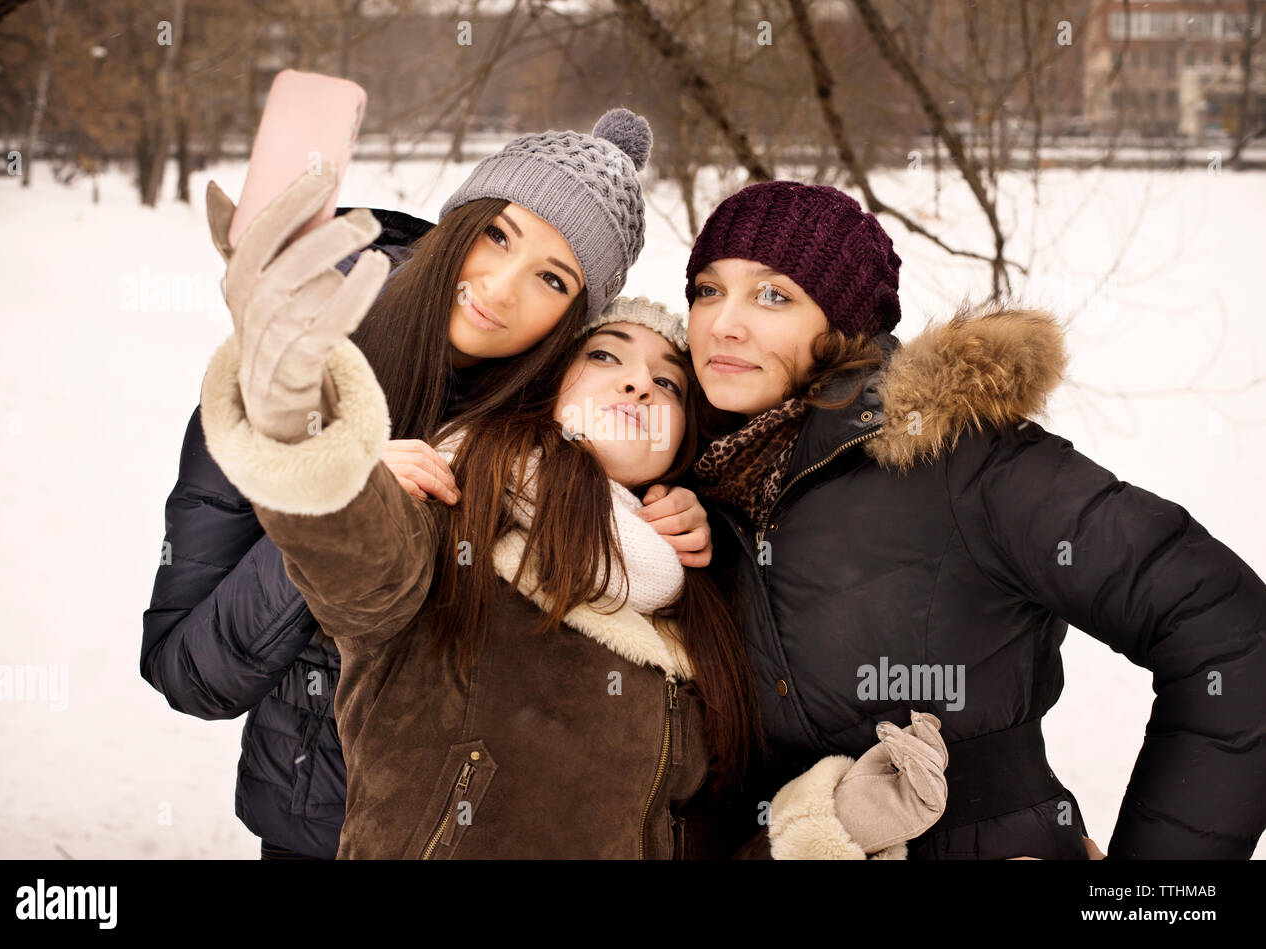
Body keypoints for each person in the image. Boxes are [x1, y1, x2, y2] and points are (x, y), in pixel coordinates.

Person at [196, 252, 950, 856]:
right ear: (550, 388)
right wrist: (310, 439)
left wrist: (833, 828)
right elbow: (359, 575)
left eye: (668, 382)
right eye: (606, 356)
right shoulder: (450, 513)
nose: (637, 380)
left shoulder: (693, 612)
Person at [141, 110, 715, 859]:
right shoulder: (292, 366)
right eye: (497, 234)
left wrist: (677, 509)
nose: (501, 289)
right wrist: (335, 504)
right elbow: (189, 671)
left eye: (551, 278)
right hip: (318, 830)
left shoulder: (547, 422)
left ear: (573, 320)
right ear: (459, 218)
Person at [683, 180, 1266, 859]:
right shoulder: (699, 483)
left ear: (842, 326)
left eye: (773, 294)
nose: (723, 322)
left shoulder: (960, 458)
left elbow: (1229, 631)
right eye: (706, 289)